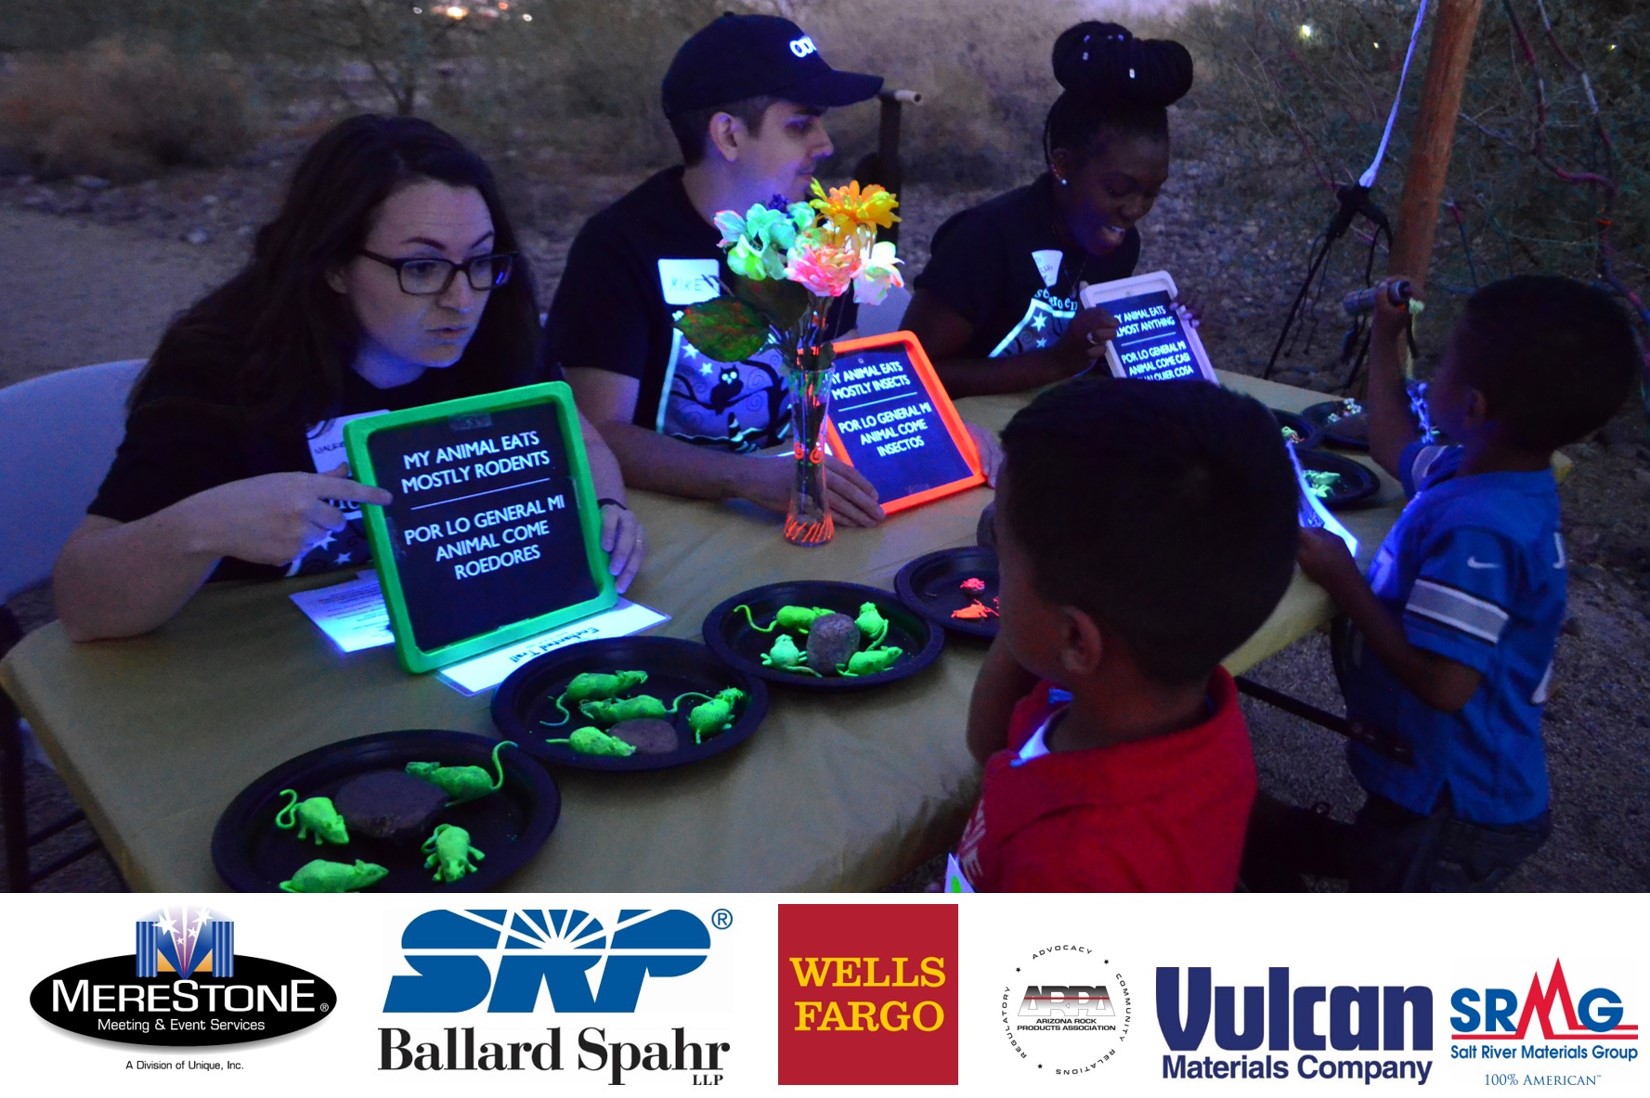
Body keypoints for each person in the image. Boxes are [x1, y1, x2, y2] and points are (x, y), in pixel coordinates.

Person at [55, 114, 644, 642]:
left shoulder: (499, 334)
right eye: (422, 266)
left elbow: (579, 439)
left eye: (482, 259)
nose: (462, 300)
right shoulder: (221, 366)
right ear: (334, 265)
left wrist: (607, 505)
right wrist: (201, 527)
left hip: (454, 643)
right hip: (260, 676)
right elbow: (82, 603)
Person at [1248, 275, 1640, 891]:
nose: (1432, 372)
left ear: (1475, 407)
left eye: (1445, 361)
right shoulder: (1483, 471)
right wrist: (1385, 337)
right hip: (1442, 787)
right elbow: (1391, 440)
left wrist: (1343, 580)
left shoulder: (1480, 532)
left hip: (1454, 807)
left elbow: (1445, 683)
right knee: (1381, 856)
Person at [544, 12, 890, 525]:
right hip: (668, 528)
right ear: (727, 135)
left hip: (807, 508)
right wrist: (747, 477)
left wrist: (935, 433)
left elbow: (855, 379)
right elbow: (599, 430)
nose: (825, 144)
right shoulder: (620, 246)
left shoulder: (819, 233)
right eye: (800, 124)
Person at [953, 377, 1298, 891]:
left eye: (1002, 558)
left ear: (1076, 640)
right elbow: (994, 748)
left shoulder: (1075, 870)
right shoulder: (1163, 706)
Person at [902, 22, 1193, 397]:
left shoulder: (1120, 245)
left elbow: (1093, 353)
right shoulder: (985, 241)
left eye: (1152, 193)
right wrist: (1056, 362)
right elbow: (907, 374)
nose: (1135, 210)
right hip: (966, 436)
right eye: (1117, 189)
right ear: (1063, 165)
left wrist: (1161, 332)